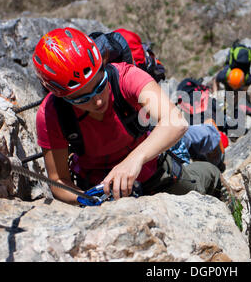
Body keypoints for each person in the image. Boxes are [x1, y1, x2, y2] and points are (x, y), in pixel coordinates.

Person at [33, 27, 221, 206]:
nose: (98, 101)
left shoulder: (125, 77)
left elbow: (176, 121)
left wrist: (133, 160)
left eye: (100, 85)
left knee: (210, 176)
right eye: (82, 98)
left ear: (103, 66)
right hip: (100, 191)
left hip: (152, 171)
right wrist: (84, 200)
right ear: (63, 97)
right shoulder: (52, 114)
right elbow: (58, 180)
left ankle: (212, 144)